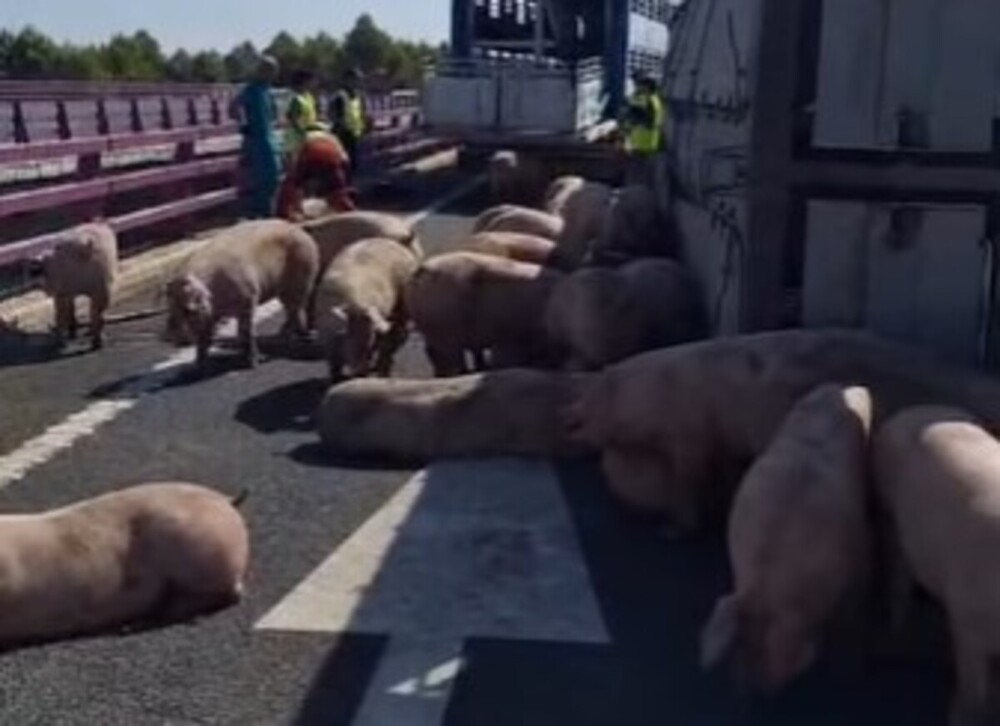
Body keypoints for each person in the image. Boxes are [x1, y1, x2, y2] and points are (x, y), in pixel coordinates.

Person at [232, 56, 281, 219]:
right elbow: (234, 107)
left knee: (273, 177)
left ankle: (268, 211)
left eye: (272, 70)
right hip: (257, 139)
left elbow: (274, 113)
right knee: (263, 177)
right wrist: (243, 123)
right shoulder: (251, 90)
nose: (269, 74)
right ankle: (261, 213)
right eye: (266, 69)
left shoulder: (267, 91)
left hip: (269, 137)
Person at [275, 129, 357, 221]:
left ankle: (288, 215)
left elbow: (292, 184)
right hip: (329, 155)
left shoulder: (308, 144)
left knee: (293, 185)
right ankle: (352, 215)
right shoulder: (330, 145)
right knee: (337, 195)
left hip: (315, 153)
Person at [621, 71, 666, 190]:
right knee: (645, 174)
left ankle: (633, 195)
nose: (638, 86)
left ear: (647, 87)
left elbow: (637, 116)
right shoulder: (656, 100)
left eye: (641, 84)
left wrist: (628, 123)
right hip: (650, 143)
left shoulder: (647, 101)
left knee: (635, 173)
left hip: (641, 143)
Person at [329, 68, 368, 177]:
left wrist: (364, 124)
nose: (357, 83)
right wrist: (342, 126)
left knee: (354, 164)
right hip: (342, 134)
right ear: (347, 80)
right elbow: (333, 115)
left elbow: (360, 113)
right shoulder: (340, 96)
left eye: (359, 80)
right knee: (342, 164)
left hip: (355, 133)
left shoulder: (358, 96)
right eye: (354, 79)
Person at [284, 69, 320, 165]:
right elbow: (293, 119)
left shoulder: (309, 97)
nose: (314, 83)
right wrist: (303, 132)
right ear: (305, 81)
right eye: (312, 80)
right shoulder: (296, 99)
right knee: (295, 165)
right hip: (295, 139)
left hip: (307, 137)